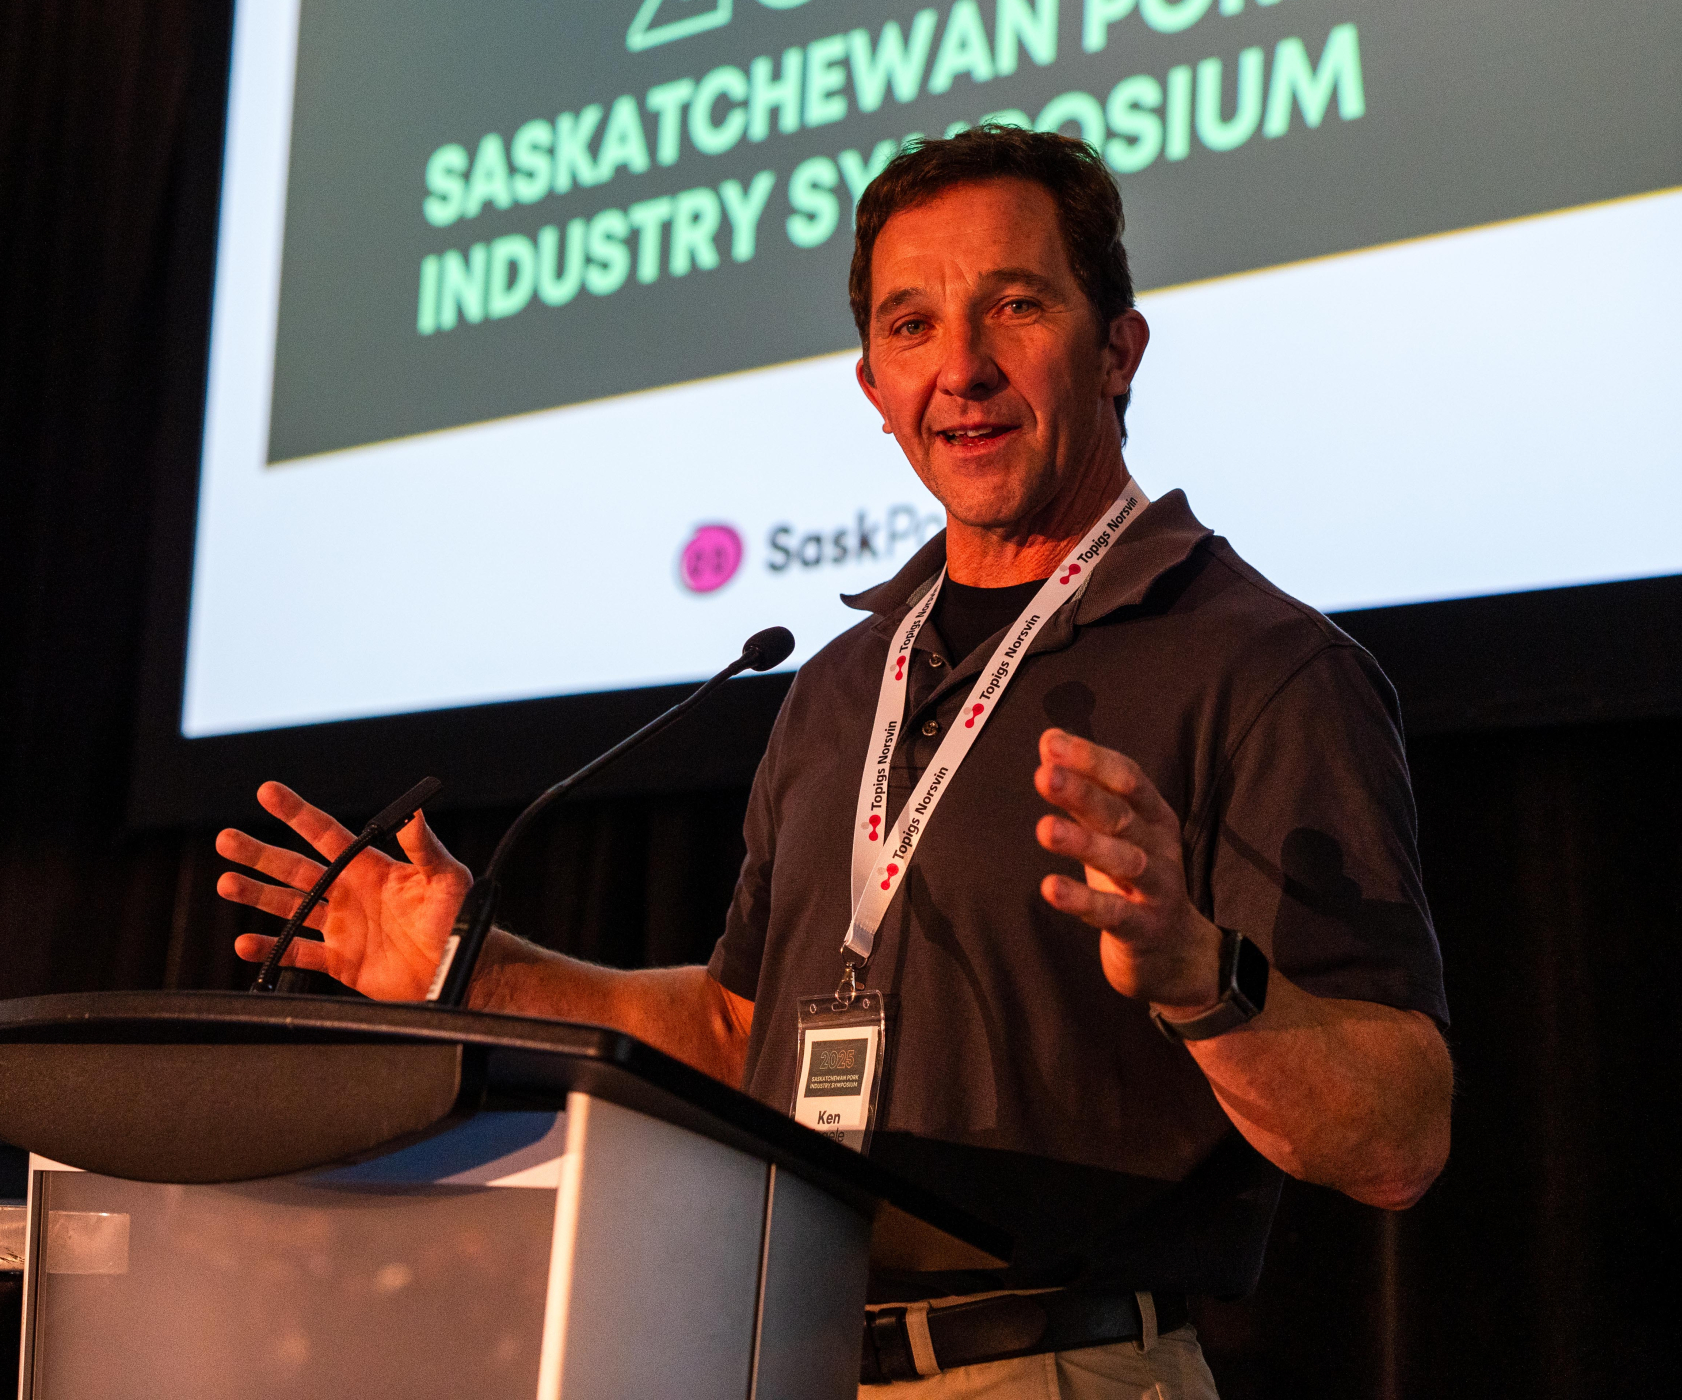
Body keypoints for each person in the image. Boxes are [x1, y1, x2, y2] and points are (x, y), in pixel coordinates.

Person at [216, 125, 1452, 1398]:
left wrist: (1201, 979)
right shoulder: (841, 684)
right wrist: (473, 968)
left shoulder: (1261, 665)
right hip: (783, 1360)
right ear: (872, 385)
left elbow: (1398, 1138)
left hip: (1052, 1366)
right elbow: (735, 1033)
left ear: (1118, 350)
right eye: (912, 326)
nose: (960, 368)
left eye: (1014, 306)